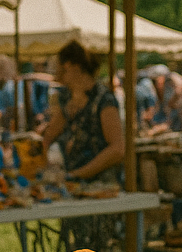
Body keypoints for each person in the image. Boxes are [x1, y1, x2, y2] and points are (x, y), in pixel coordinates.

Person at [39, 40, 124, 183]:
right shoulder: (66, 97)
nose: (58, 73)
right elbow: (49, 137)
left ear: (74, 67)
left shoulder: (103, 99)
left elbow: (117, 149)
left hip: (102, 185)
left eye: (62, 67)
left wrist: (79, 174)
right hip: (74, 184)